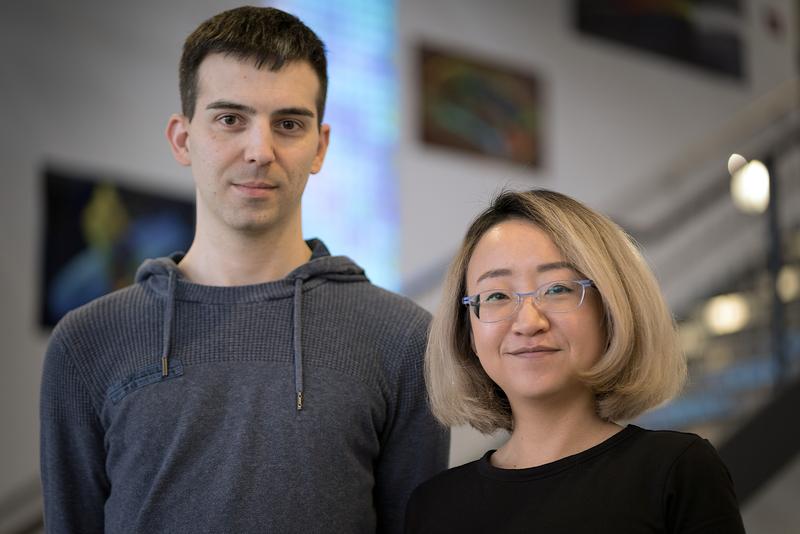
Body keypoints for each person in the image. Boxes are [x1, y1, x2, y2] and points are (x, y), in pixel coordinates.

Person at [40, 7, 448, 533]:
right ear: (182, 139)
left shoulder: (403, 339)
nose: (260, 151)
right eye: (230, 119)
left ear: (320, 146)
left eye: (289, 124)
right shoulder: (87, 343)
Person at [406, 189, 745, 533]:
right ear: (469, 332)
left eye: (557, 289)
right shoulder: (433, 506)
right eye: (496, 296)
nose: (528, 323)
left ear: (611, 310)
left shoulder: (676, 471)